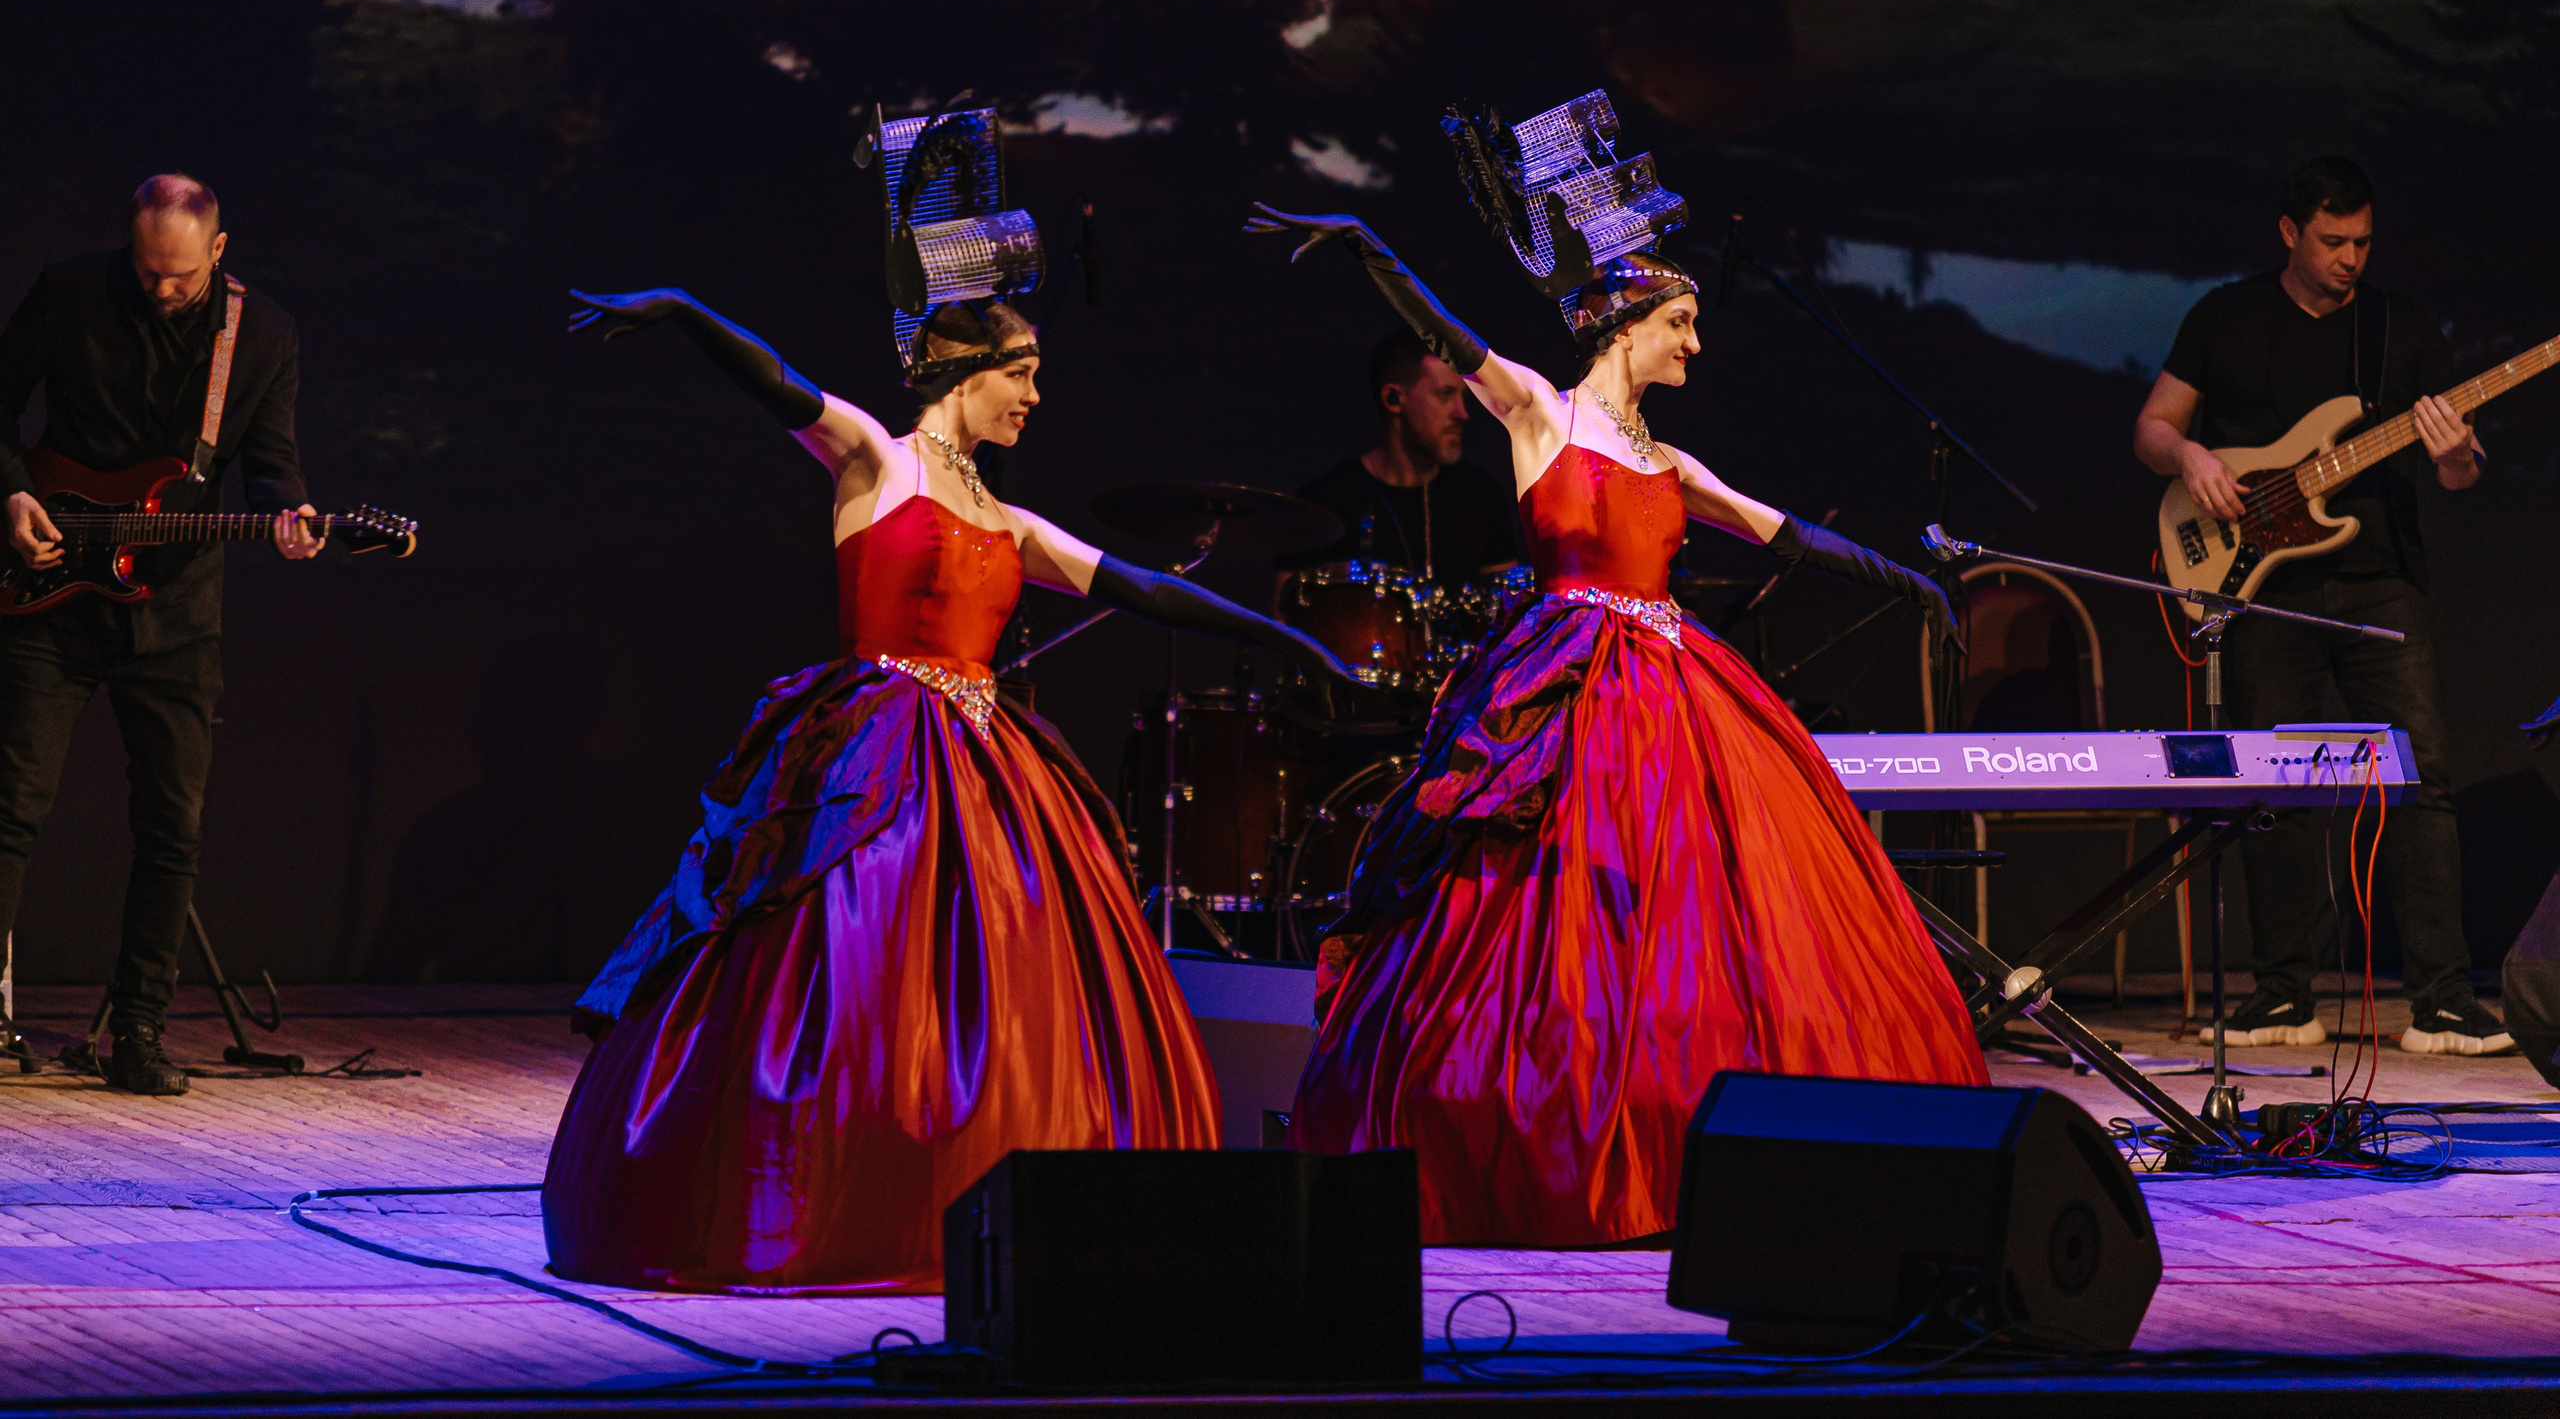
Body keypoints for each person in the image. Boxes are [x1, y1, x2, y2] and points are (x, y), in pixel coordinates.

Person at [544, 108, 1357, 1294]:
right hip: (870, 762)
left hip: (982, 761)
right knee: (846, 963)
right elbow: (777, 384)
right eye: (1021, 375)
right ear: (961, 373)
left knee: (1024, 974)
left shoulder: (1006, 521)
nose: (1035, 397)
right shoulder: (877, 463)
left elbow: (1139, 590)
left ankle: (1027, 1198)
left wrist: (1288, 637)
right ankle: (836, 1194)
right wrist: (679, 309)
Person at [1244, 93, 1988, 1248]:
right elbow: (1448, 339)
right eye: (1682, 323)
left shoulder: (1670, 457)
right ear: (1628, 324)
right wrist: (1372, 250)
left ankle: (1706, 1122)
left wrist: (1915, 583)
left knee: (1705, 911)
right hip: (1563, 692)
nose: (1696, 344)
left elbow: (1784, 533)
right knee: (1553, 906)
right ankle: (1558, 1122)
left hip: (1676, 686)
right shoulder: (1543, 417)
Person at [2135, 156, 2508, 1056]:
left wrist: (2457, 453)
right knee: (2273, 789)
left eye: (2364, 241)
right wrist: (2192, 460)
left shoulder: (2398, 328)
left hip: (2383, 580)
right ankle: (2282, 994)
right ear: (2289, 233)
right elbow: (2153, 428)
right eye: (2334, 241)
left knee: (2423, 778)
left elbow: (2458, 472)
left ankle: (2442, 1001)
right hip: (2267, 587)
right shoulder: (2223, 316)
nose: (2351, 258)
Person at [0, 176, 321, 1094]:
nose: (163, 290)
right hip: (49, 595)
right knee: (10, 807)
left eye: (180, 276)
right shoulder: (69, 292)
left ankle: (138, 1028)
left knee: (171, 830)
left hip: (175, 617)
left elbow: (272, 463)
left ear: (219, 252)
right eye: (147, 272)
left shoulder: (261, 335)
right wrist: (12, 492)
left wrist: (290, 515)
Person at [1275, 325, 1516, 592]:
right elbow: (1284, 619)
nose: (1462, 413)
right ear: (1393, 399)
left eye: (1463, 397)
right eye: (1445, 395)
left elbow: (1510, 612)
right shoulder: (1327, 501)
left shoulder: (1480, 495)